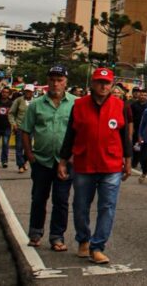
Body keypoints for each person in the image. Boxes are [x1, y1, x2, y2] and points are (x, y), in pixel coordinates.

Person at [57, 67, 132, 265]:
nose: (103, 86)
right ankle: (83, 238)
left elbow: (125, 137)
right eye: (99, 82)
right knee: (81, 206)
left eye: (107, 83)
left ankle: (97, 246)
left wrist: (128, 161)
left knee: (107, 206)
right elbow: (70, 136)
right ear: (92, 83)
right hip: (84, 164)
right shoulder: (79, 105)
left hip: (111, 165)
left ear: (112, 84)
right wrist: (63, 161)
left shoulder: (120, 105)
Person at [22, 66, 75, 251]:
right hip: (41, 160)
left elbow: (81, 131)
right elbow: (26, 130)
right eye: (52, 79)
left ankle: (57, 236)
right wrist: (29, 154)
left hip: (65, 162)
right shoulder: (36, 104)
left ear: (66, 82)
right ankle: (35, 233)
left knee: (61, 200)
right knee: (38, 198)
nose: (56, 83)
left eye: (60, 79)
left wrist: (74, 156)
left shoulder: (76, 104)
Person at [11, 84, 34, 172]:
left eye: (30, 91)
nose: (28, 93)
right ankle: (20, 165)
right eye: (26, 91)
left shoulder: (35, 102)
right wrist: (14, 124)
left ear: (32, 92)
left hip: (31, 128)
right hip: (20, 127)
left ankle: (24, 161)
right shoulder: (18, 101)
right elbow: (11, 113)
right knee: (19, 147)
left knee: (29, 148)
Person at [129, 88, 147, 169]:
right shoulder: (134, 105)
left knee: (145, 147)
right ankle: (134, 162)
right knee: (136, 146)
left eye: (144, 95)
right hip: (136, 129)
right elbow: (130, 117)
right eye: (141, 95)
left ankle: (144, 163)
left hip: (146, 130)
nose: (143, 96)